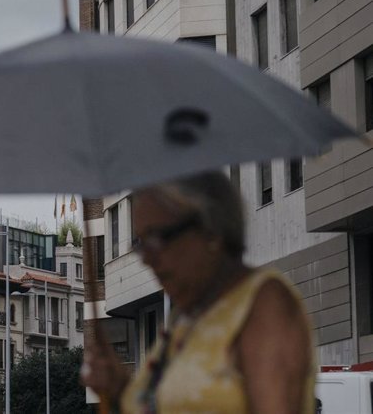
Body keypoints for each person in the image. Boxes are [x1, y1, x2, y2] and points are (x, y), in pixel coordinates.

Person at [81, 170, 315, 414]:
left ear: (210, 229)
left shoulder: (264, 305)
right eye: (140, 244)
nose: (147, 259)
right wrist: (119, 387)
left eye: (157, 238)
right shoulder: (184, 318)